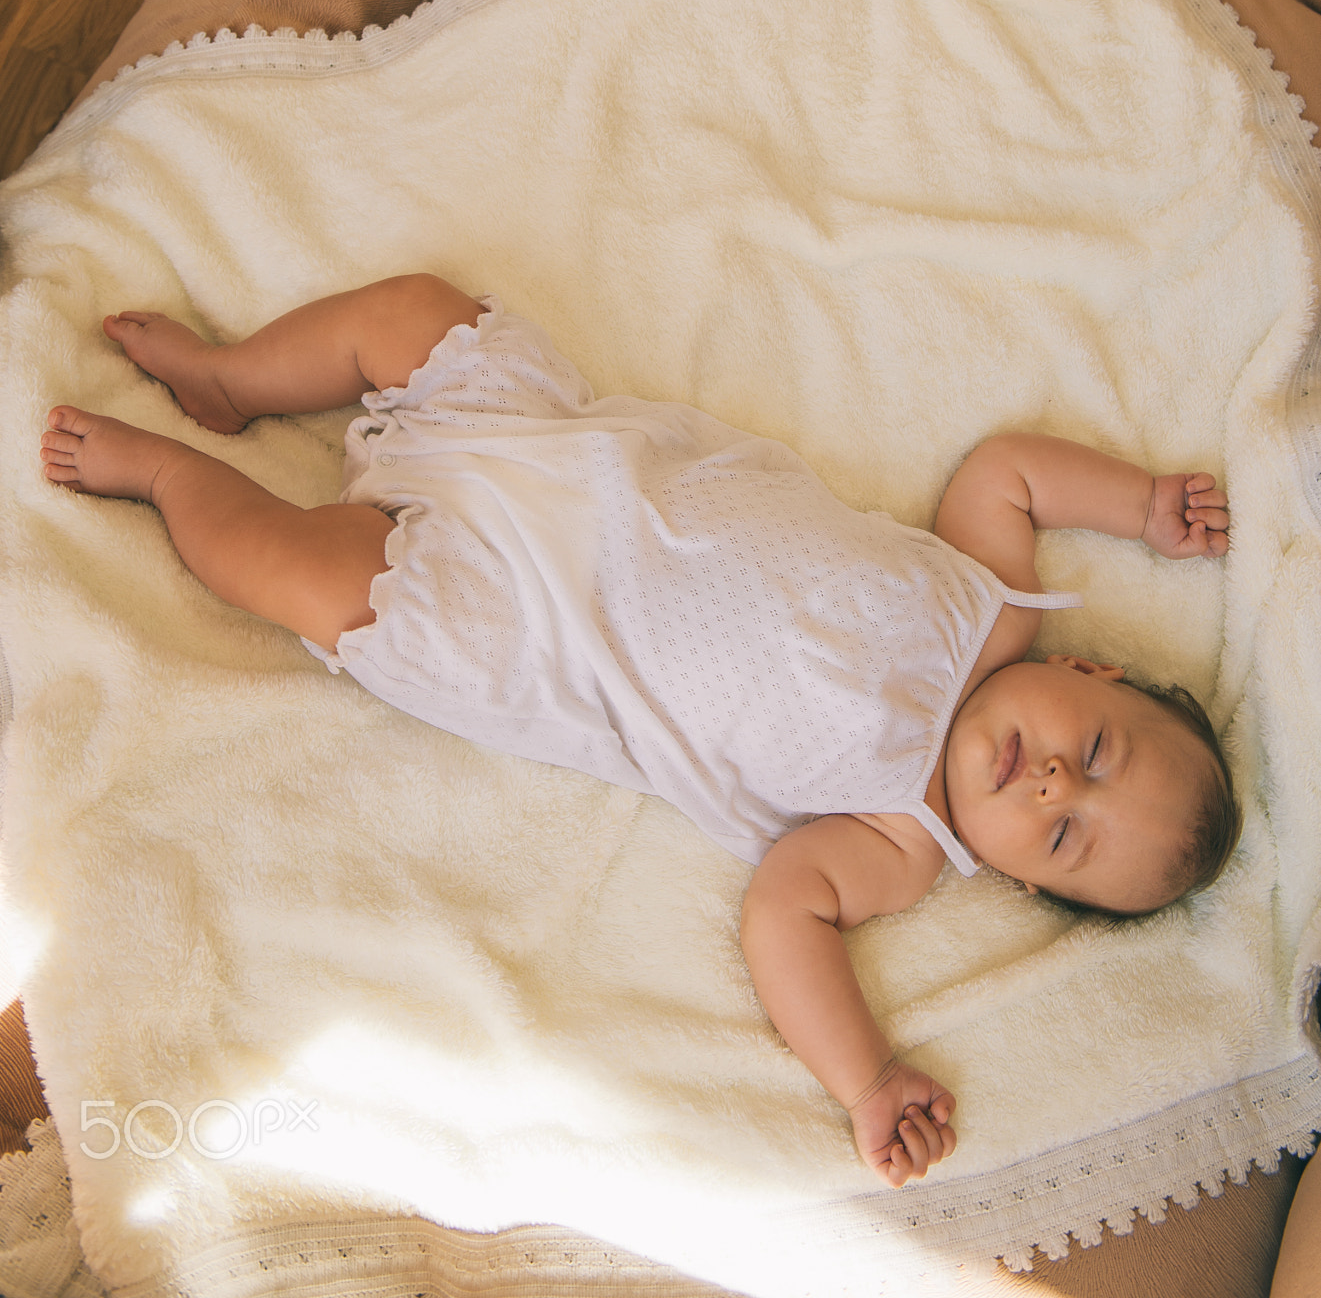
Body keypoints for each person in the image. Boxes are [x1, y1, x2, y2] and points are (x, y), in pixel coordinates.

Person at [39, 273, 1240, 1187]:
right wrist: (1138, 504)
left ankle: (168, 477)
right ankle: (232, 379)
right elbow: (1009, 467)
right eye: (1095, 749)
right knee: (414, 311)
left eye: (1062, 834)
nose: (1048, 782)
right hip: (548, 445)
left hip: (507, 615)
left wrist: (866, 1074)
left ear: (1020, 880)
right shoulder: (993, 595)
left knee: (291, 570)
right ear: (1088, 667)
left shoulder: (899, 836)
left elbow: (784, 915)